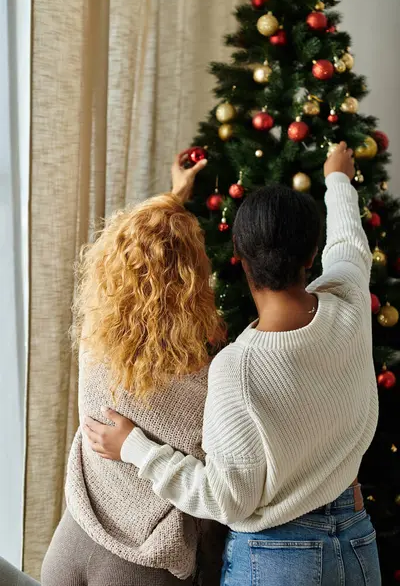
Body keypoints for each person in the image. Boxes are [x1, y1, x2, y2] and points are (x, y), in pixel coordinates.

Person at [85, 143, 381, 585]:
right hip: (357, 542)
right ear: (311, 254)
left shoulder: (238, 368)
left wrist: (134, 447)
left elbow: (225, 499)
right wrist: (338, 178)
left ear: (238, 258)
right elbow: (349, 239)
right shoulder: (350, 299)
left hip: (280, 558)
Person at [41, 153, 227, 586]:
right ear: (193, 282)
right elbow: (210, 495)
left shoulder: (93, 341)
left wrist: (174, 197)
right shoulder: (206, 384)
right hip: (140, 567)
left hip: (68, 548)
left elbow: (136, 246)